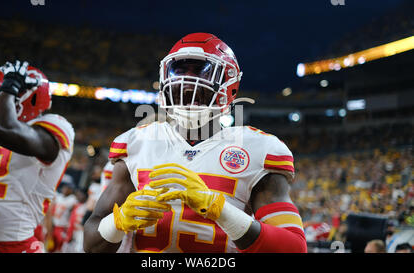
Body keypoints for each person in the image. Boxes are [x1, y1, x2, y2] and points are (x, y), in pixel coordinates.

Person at [84, 33, 307, 253]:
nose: (187, 81)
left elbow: (294, 248)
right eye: (180, 69)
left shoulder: (258, 149)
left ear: (229, 85)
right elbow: (91, 245)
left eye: (200, 70)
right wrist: (118, 221)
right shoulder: (136, 143)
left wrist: (221, 211)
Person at [0, 60, 75, 253]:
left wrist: (10, 85)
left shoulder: (53, 128)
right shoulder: (3, 140)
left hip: (12, 245)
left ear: (27, 98)